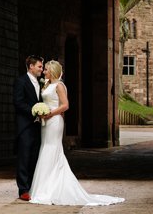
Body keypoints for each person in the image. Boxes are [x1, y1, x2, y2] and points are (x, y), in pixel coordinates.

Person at [29, 60, 124, 205]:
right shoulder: (47, 84)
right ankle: (45, 186)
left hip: (54, 121)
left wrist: (50, 113)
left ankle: (50, 188)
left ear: (53, 71)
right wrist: (41, 111)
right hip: (45, 122)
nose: (44, 71)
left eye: (47, 69)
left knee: (52, 148)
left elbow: (65, 105)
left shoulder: (60, 85)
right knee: (46, 148)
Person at [13, 55, 43, 201]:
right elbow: (18, 102)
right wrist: (34, 110)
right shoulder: (21, 81)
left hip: (38, 126)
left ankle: (32, 187)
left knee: (34, 157)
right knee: (24, 157)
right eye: (39, 67)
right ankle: (23, 190)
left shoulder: (41, 83)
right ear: (31, 66)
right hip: (25, 125)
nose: (41, 70)